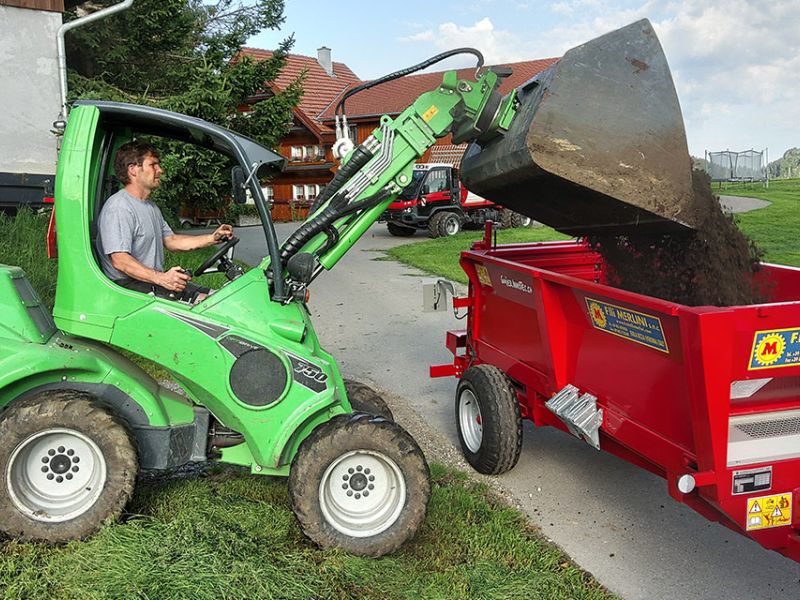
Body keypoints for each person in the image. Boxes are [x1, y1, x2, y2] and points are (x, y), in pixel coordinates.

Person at [97, 141, 233, 303]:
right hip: (127, 287)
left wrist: (213, 238)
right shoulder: (119, 208)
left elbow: (171, 241)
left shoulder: (150, 207)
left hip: (149, 282)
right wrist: (161, 278)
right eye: (153, 165)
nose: (160, 170)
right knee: (207, 305)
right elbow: (120, 260)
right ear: (133, 169)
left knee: (218, 298)